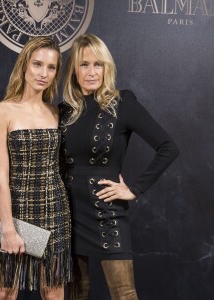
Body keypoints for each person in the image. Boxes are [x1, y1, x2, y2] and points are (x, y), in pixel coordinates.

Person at [59, 34, 179, 300]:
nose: (91, 72)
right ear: (73, 70)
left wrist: (134, 189)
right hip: (69, 213)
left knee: (124, 294)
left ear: (107, 67)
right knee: (77, 293)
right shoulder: (65, 111)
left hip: (107, 213)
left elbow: (168, 147)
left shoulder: (123, 103)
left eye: (98, 64)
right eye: (84, 64)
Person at [0, 36, 72, 300]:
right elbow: (0, 178)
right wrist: (9, 228)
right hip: (15, 211)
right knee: (5, 291)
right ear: (24, 65)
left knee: (54, 292)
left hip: (54, 209)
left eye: (51, 67)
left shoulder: (57, 113)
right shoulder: (2, 111)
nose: (43, 73)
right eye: (37, 64)